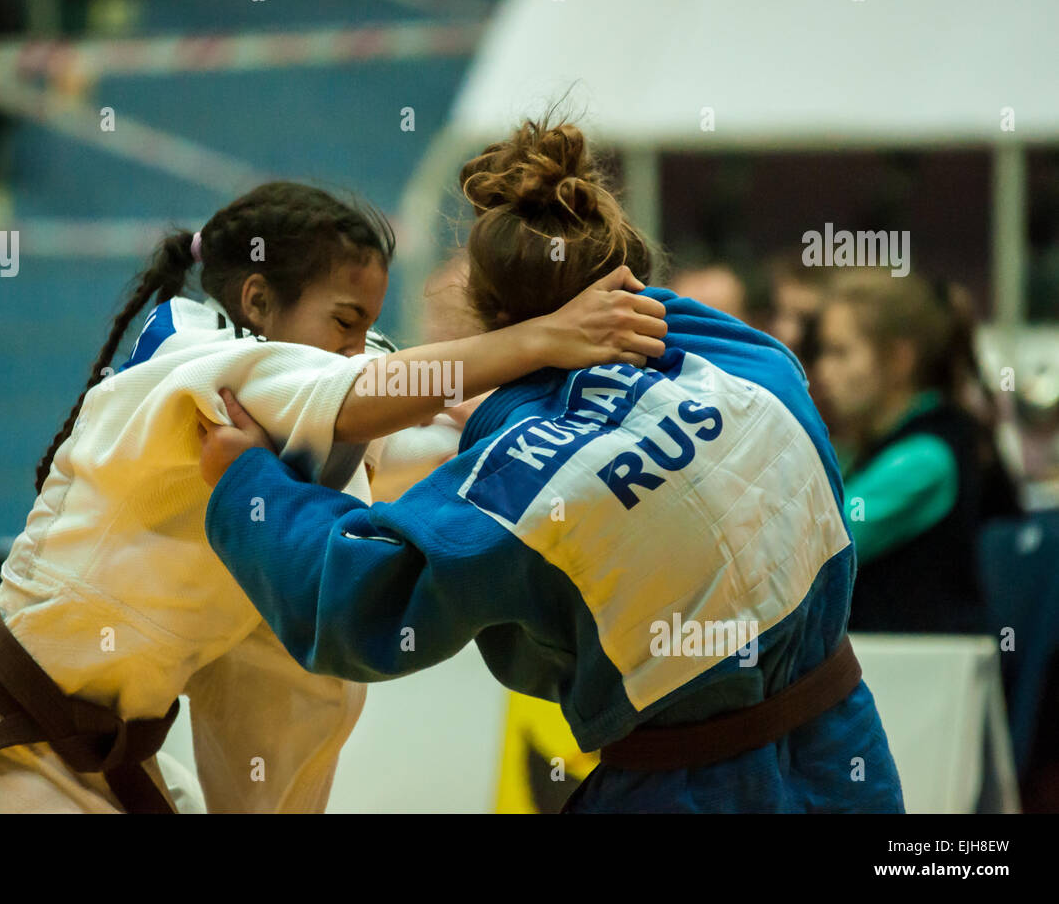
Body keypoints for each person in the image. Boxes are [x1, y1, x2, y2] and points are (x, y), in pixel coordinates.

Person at [0, 180, 668, 814]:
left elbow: (409, 425)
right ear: (257, 300)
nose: (361, 345)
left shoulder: (315, 401)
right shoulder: (191, 361)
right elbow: (362, 390)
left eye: (368, 326)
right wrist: (545, 337)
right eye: (345, 321)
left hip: (104, 761)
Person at [198, 118, 905, 813]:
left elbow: (350, 598)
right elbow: (653, 341)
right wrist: (503, 398)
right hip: (847, 757)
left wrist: (248, 478)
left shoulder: (516, 488)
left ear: (487, 314)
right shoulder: (758, 365)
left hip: (682, 788)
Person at [815, 273, 1014, 633]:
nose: (824, 371)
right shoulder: (860, 447)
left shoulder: (927, 457)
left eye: (840, 353)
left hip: (927, 674)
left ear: (899, 360)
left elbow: (817, 548)